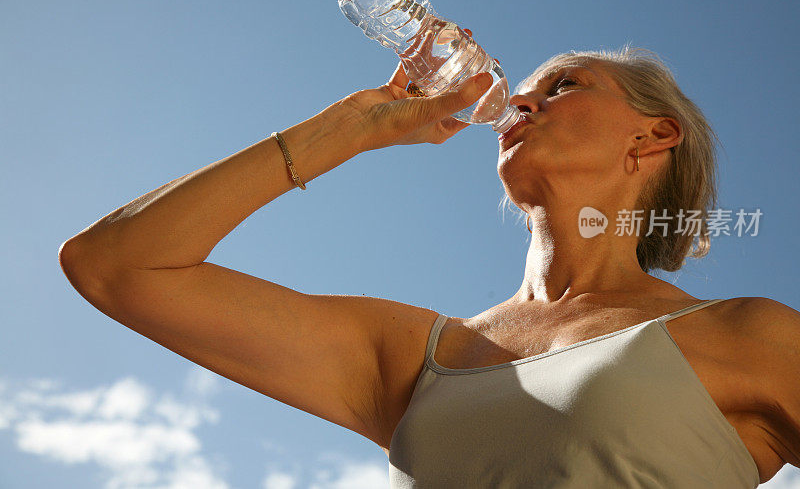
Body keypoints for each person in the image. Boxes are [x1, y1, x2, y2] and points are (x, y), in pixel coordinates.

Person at [58, 38, 799, 487]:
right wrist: (352, 125)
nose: (520, 102)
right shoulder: (418, 357)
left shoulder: (747, 336)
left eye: (564, 85)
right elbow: (117, 265)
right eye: (525, 90)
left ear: (653, 136)